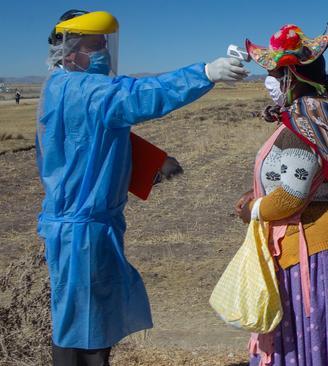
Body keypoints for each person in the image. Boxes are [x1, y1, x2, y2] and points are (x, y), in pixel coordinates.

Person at [36, 9, 248, 365]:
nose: (103, 50)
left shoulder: (59, 87)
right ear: (71, 51)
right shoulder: (89, 91)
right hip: (84, 231)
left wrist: (152, 163)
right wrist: (206, 73)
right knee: (87, 328)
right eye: (95, 44)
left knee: (77, 316)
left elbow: (91, 139)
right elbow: (142, 95)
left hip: (75, 227)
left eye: (105, 43)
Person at [235, 24, 328, 365]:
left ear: (291, 76)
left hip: (316, 258)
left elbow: (291, 198)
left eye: (273, 73)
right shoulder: (322, 114)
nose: (268, 80)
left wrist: (253, 209)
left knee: (312, 338)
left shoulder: (305, 124)